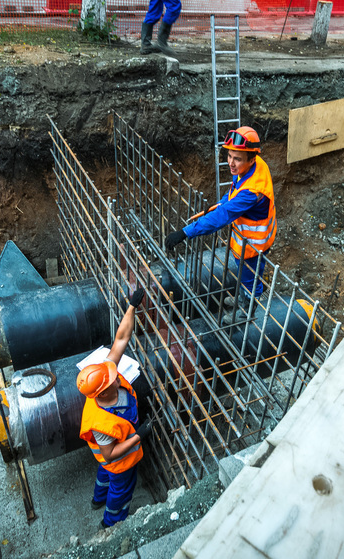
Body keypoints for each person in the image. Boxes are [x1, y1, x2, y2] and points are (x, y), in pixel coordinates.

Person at [164, 126, 276, 309]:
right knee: (246, 273)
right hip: (254, 236)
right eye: (229, 156)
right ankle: (244, 296)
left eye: (237, 159)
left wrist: (185, 233)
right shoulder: (254, 165)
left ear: (251, 159)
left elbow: (221, 218)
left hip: (253, 244)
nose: (231, 163)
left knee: (248, 277)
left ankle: (248, 308)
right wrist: (223, 202)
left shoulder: (252, 192)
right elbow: (235, 191)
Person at [77, 288, 153, 530]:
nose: (117, 375)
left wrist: (131, 307)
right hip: (119, 461)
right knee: (120, 490)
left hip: (107, 459)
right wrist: (139, 436)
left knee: (103, 474)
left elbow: (121, 338)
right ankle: (110, 524)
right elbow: (110, 454)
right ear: (103, 391)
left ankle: (97, 499)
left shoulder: (103, 374)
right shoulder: (100, 422)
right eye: (113, 379)